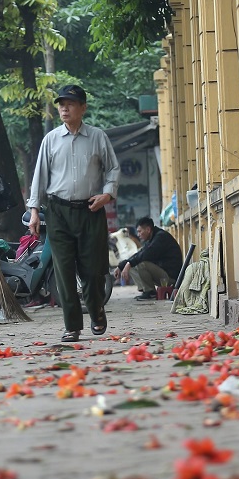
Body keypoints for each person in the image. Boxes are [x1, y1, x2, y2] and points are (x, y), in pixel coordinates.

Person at [27, 84, 121, 342]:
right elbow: (39, 177)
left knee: (93, 269)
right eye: (61, 104)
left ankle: (96, 309)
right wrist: (34, 211)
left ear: (83, 108)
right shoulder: (51, 140)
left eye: (70, 103)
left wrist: (107, 195)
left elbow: (113, 169)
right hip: (58, 212)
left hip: (91, 210)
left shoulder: (98, 137)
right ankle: (72, 325)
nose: (64, 108)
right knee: (64, 270)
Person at [118, 216, 184, 301]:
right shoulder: (152, 238)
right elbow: (139, 253)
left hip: (170, 278)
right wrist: (121, 266)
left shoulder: (160, 237)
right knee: (132, 264)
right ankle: (145, 290)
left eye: (140, 231)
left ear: (148, 229)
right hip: (162, 274)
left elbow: (146, 254)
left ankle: (150, 292)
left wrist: (129, 263)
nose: (138, 235)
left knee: (142, 264)